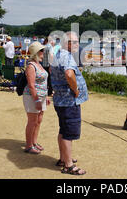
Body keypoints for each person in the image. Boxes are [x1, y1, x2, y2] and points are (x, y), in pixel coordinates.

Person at [50, 31, 88, 175]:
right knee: (68, 133)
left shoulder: (57, 54)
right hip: (68, 100)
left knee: (63, 129)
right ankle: (68, 165)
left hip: (60, 100)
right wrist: (76, 89)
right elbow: (69, 74)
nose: (78, 45)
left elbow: (51, 70)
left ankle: (63, 158)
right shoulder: (66, 55)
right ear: (68, 43)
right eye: (76, 42)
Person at [23, 41, 50, 154]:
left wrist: (46, 96)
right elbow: (31, 85)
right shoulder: (31, 66)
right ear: (36, 53)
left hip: (42, 96)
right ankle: (29, 146)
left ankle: (34, 142)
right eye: (41, 51)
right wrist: (37, 100)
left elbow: (43, 82)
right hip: (32, 96)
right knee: (32, 120)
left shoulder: (39, 64)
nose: (43, 52)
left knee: (39, 120)